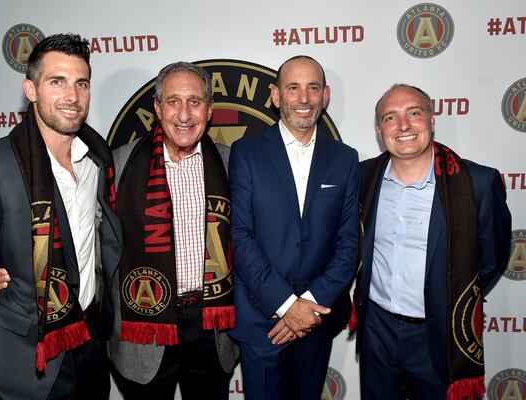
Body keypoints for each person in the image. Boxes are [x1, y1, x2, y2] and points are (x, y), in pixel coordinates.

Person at [0, 33, 122, 400]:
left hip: (89, 350)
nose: (72, 96)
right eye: (57, 82)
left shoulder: (98, 162)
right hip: (24, 363)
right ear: (31, 89)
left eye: (81, 83)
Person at [352, 84, 511, 400]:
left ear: (432, 119)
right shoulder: (362, 177)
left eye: (414, 113)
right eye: (390, 117)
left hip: (440, 335)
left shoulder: (477, 183)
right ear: (379, 129)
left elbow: (491, 262)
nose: (404, 126)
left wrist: (448, 296)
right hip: (377, 332)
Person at [228, 55, 360, 400]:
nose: (304, 98)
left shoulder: (345, 159)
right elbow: (240, 236)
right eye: (293, 88)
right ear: (275, 95)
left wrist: (308, 306)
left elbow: (348, 244)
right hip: (262, 322)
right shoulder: (246, 152)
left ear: (325, 95)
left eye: (312, 88)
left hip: (317, 321)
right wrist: (287, 306)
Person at [108, 61, 238, 399]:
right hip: (143, 327)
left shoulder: (232, 164)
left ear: (209, 110)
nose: (184, 114)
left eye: (195, 102)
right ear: (157, 107)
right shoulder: (118, 165)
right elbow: (87, 240)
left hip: (211, 324)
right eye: (173, 101)